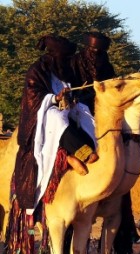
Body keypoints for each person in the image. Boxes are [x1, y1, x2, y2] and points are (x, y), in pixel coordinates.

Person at [14, 35, 98, 213]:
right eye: (65, 58)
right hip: (42, 115)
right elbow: (33, 98)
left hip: (65, 107)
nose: (67, 61)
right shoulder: (36, 70)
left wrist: (73, 98)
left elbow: (71, 90)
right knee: (56, 118)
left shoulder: (63, 70)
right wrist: (55, 98)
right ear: (54, 56)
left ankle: (90, 148)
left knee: (84, 113)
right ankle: (81, 153)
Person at [71, 31, 117, 115]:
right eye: (93, 48)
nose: (96, 50)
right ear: (87, 47)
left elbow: (111, 81)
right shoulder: (75, 60)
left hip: (103, 100)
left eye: (99, 50)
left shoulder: (105, 62)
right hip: (80, 101)